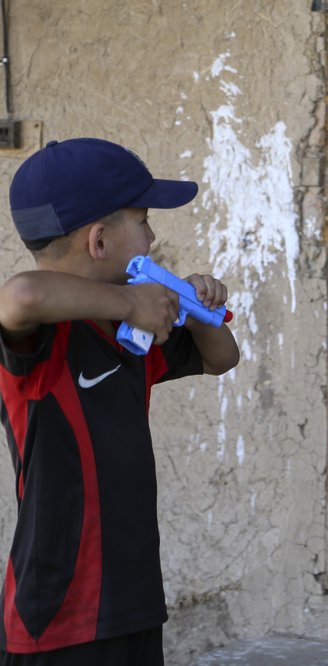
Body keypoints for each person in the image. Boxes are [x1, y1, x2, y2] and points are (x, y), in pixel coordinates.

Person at [0, 138, 240, 665]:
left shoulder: (127, 332)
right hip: (58, 615)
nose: (153, 236)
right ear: (100, 241)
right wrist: (132, 300)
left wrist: (196, 309)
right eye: (144, 221)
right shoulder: (41, 343)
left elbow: (222, 358)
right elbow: (22, 296)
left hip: (132, 600)